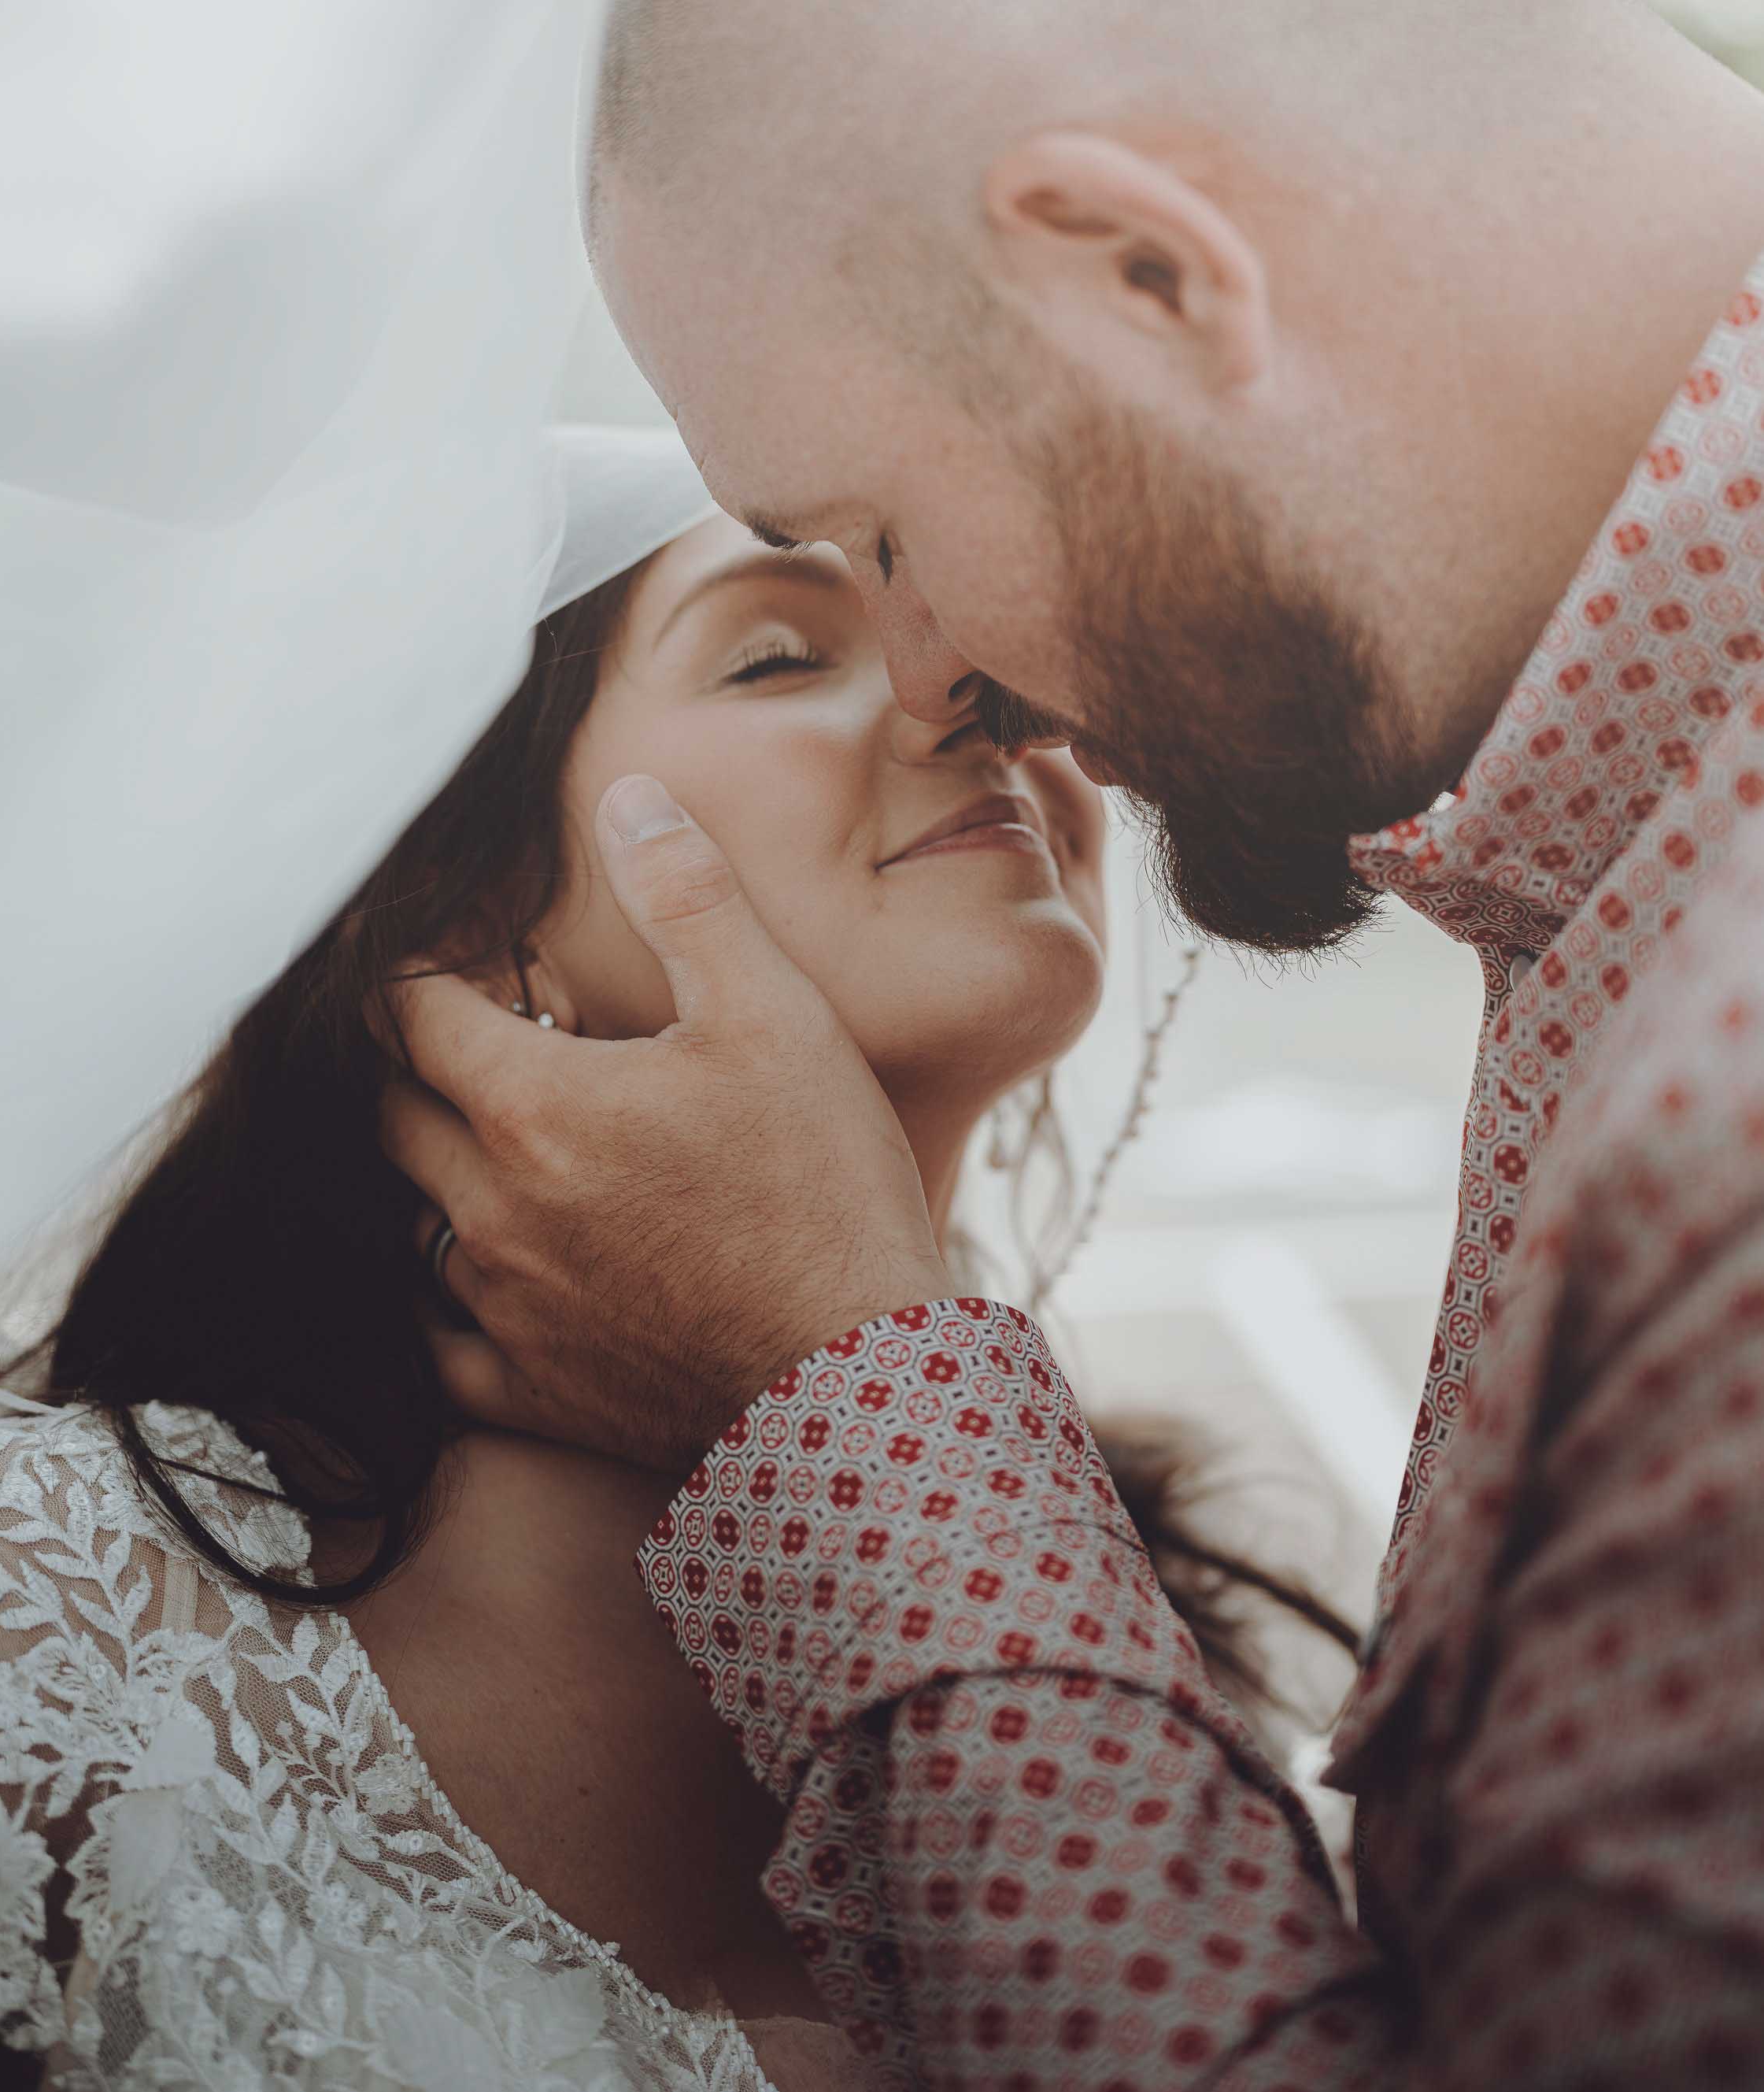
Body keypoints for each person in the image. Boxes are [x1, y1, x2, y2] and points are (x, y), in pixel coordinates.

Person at [372, 2, 1764, 2085]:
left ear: (1142, 278)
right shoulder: (1619, 894)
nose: (948, 682)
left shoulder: (1718, 1120)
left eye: (893, 542)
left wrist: (842, 1399)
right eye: (790, 620)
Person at [0, 435, 1346, 2091]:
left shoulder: (1135, 1631)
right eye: (775, 652)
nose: (968, 691)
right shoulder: (21, 1608)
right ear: (462, 928)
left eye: (964, 626)